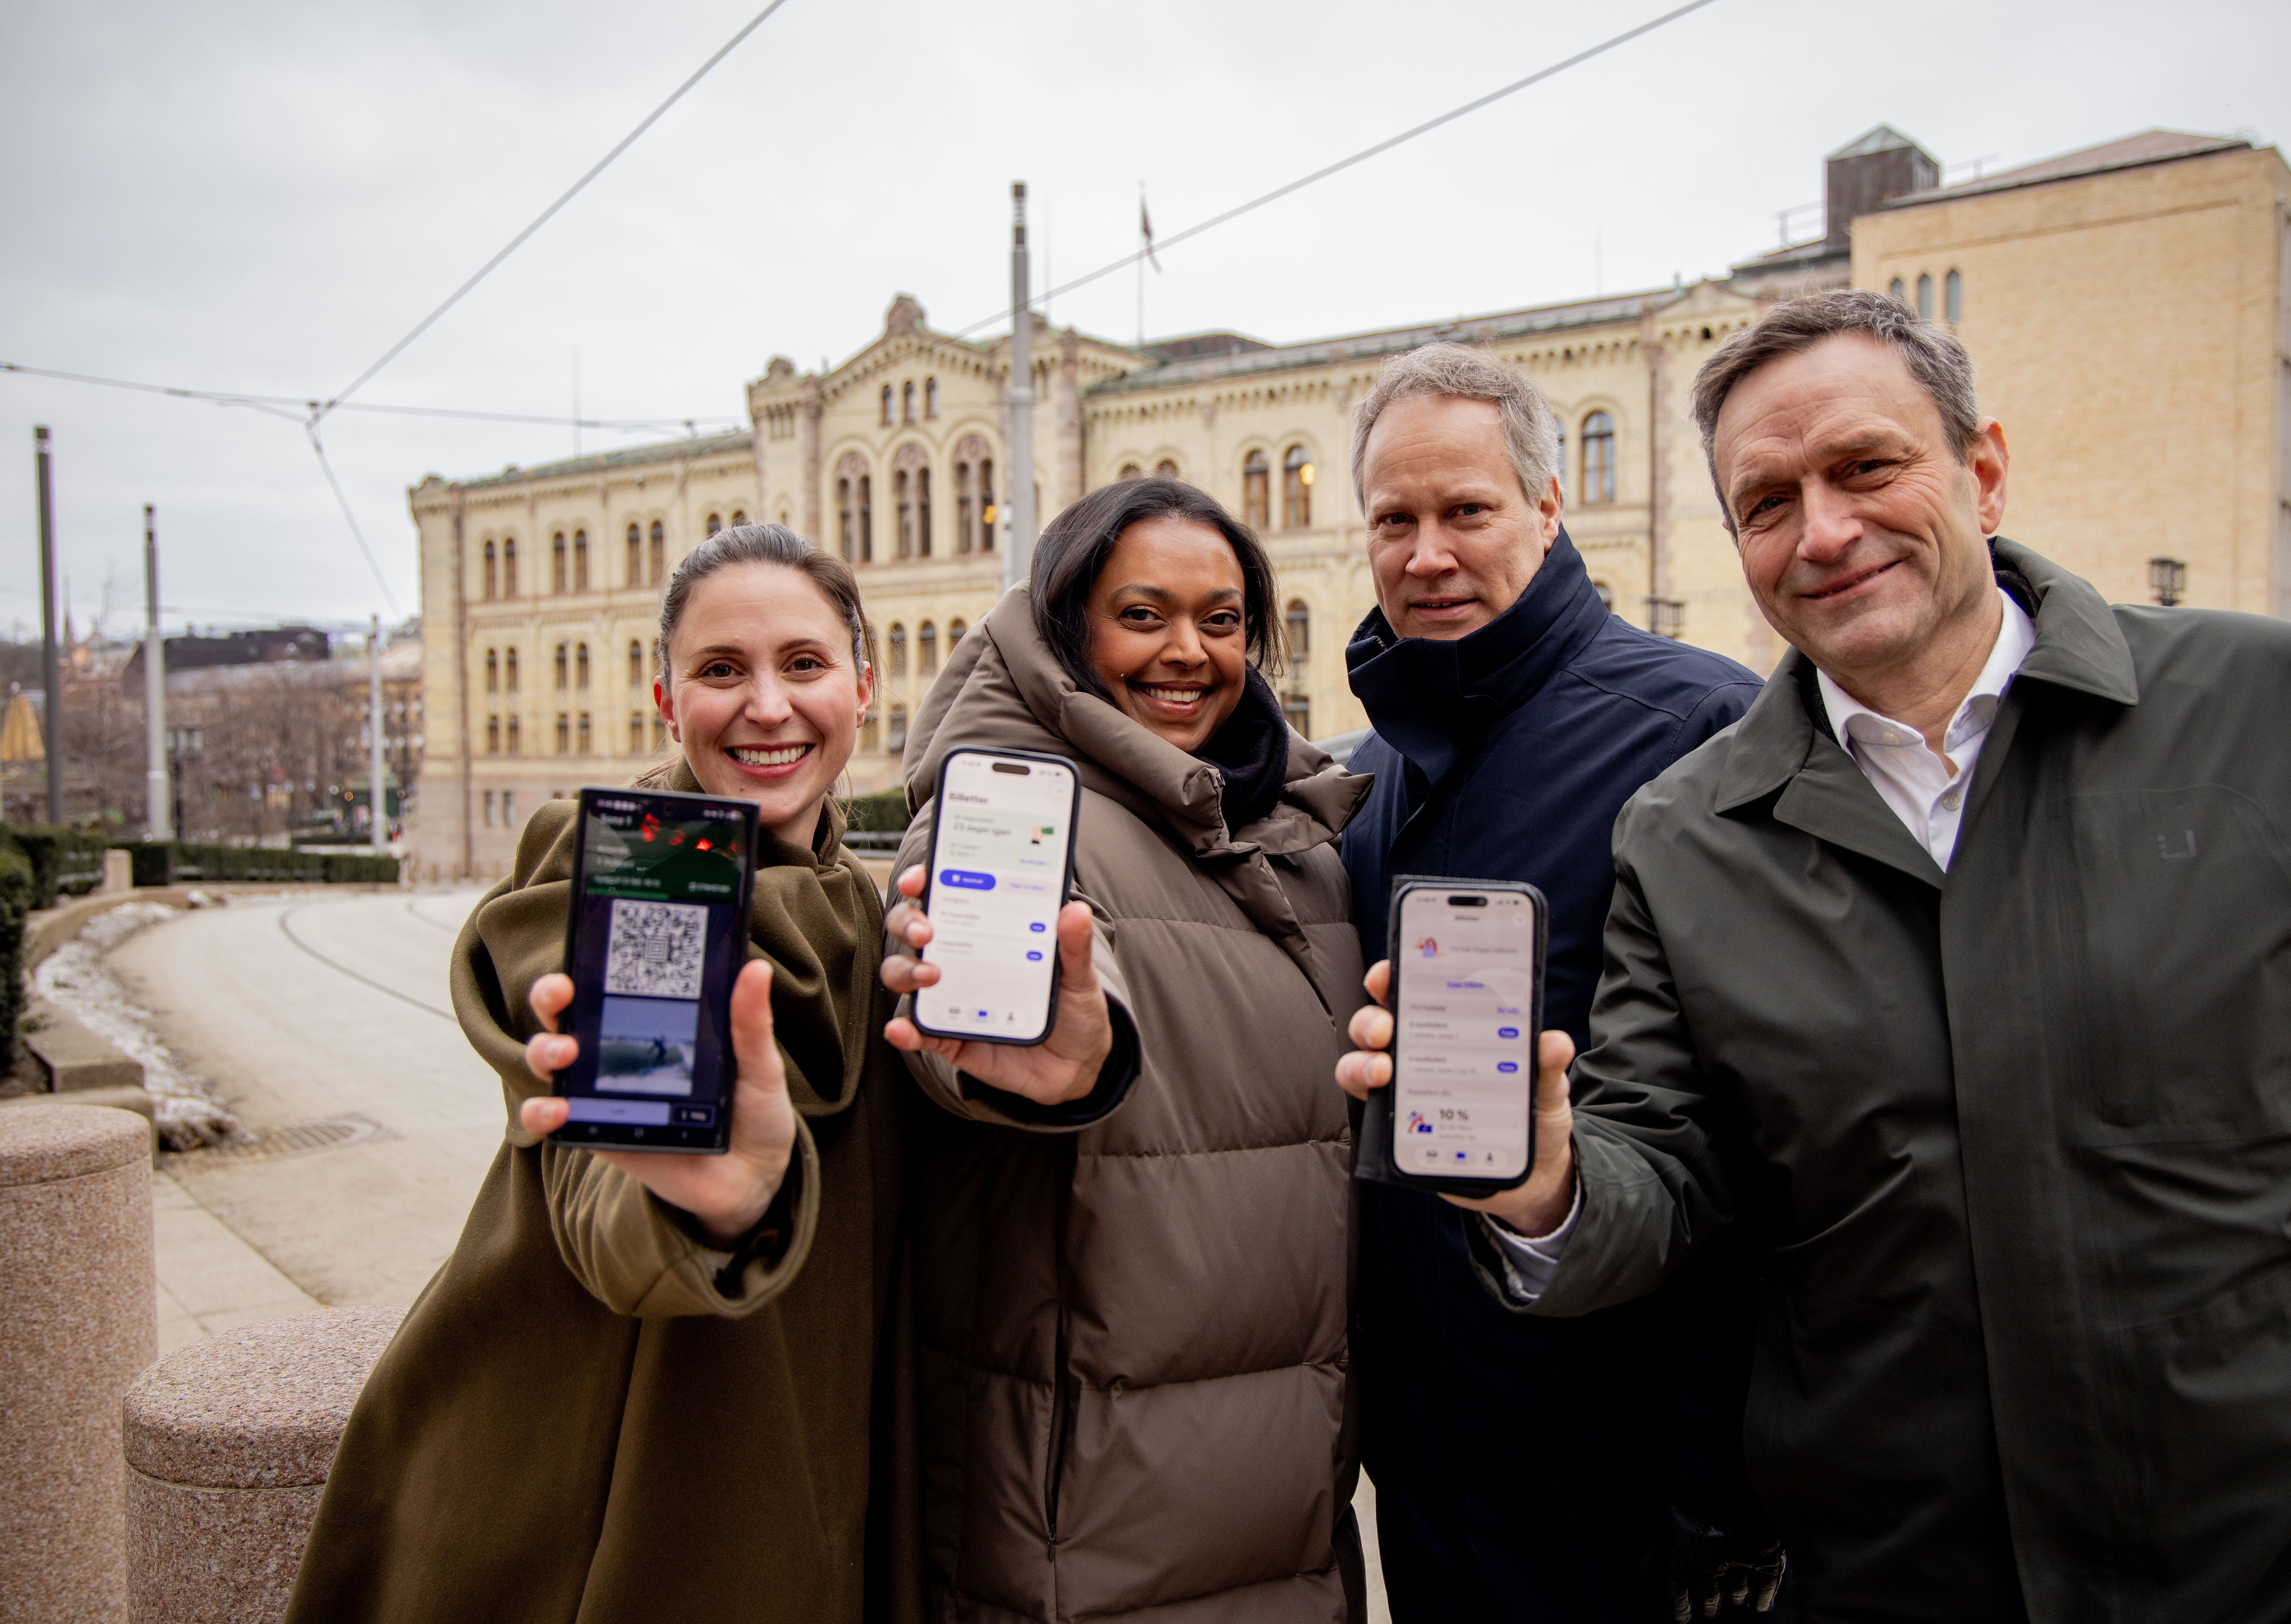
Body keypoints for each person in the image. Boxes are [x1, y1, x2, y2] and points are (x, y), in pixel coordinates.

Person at [1339, 289, 2291, 1620]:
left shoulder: (2281, 710)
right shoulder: (1686, 833)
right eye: (1766, 502)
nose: (1826, 531)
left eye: (1866, 468)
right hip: (1899, 1575)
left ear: (1980, 472)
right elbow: (1662, 1181)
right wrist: (1546, 1178)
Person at [288, 525, 1130, 1624]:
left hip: (818, 1448)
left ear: (864, 688)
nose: (767, 707)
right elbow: (604, 1196)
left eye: (805, 665)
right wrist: (703, 1208)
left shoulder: (882, 910)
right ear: (665, 698)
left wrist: (1064, 1077)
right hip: (615, 1483)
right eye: (722, 671)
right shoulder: (644, 872)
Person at [1329, 342, 1774, 1622]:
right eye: (1394, 520)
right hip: (1432, 1460)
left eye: (1465, 511)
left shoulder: (1699, 729)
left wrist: (1716, 1479)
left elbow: (1776, 1121)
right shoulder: (1367, 776)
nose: (1427, 554)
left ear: (1545, 507)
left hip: (1629, 1465)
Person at [880, 477, 1373, 1621]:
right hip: (1090, 1514)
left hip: (1288, 1492)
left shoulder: (1291, 831)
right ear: (1066, 625)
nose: (1187, 653)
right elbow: (976, 1028)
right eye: (1141, 615)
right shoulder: (1005, 818)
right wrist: (1060, 1068)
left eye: (1222, 619)